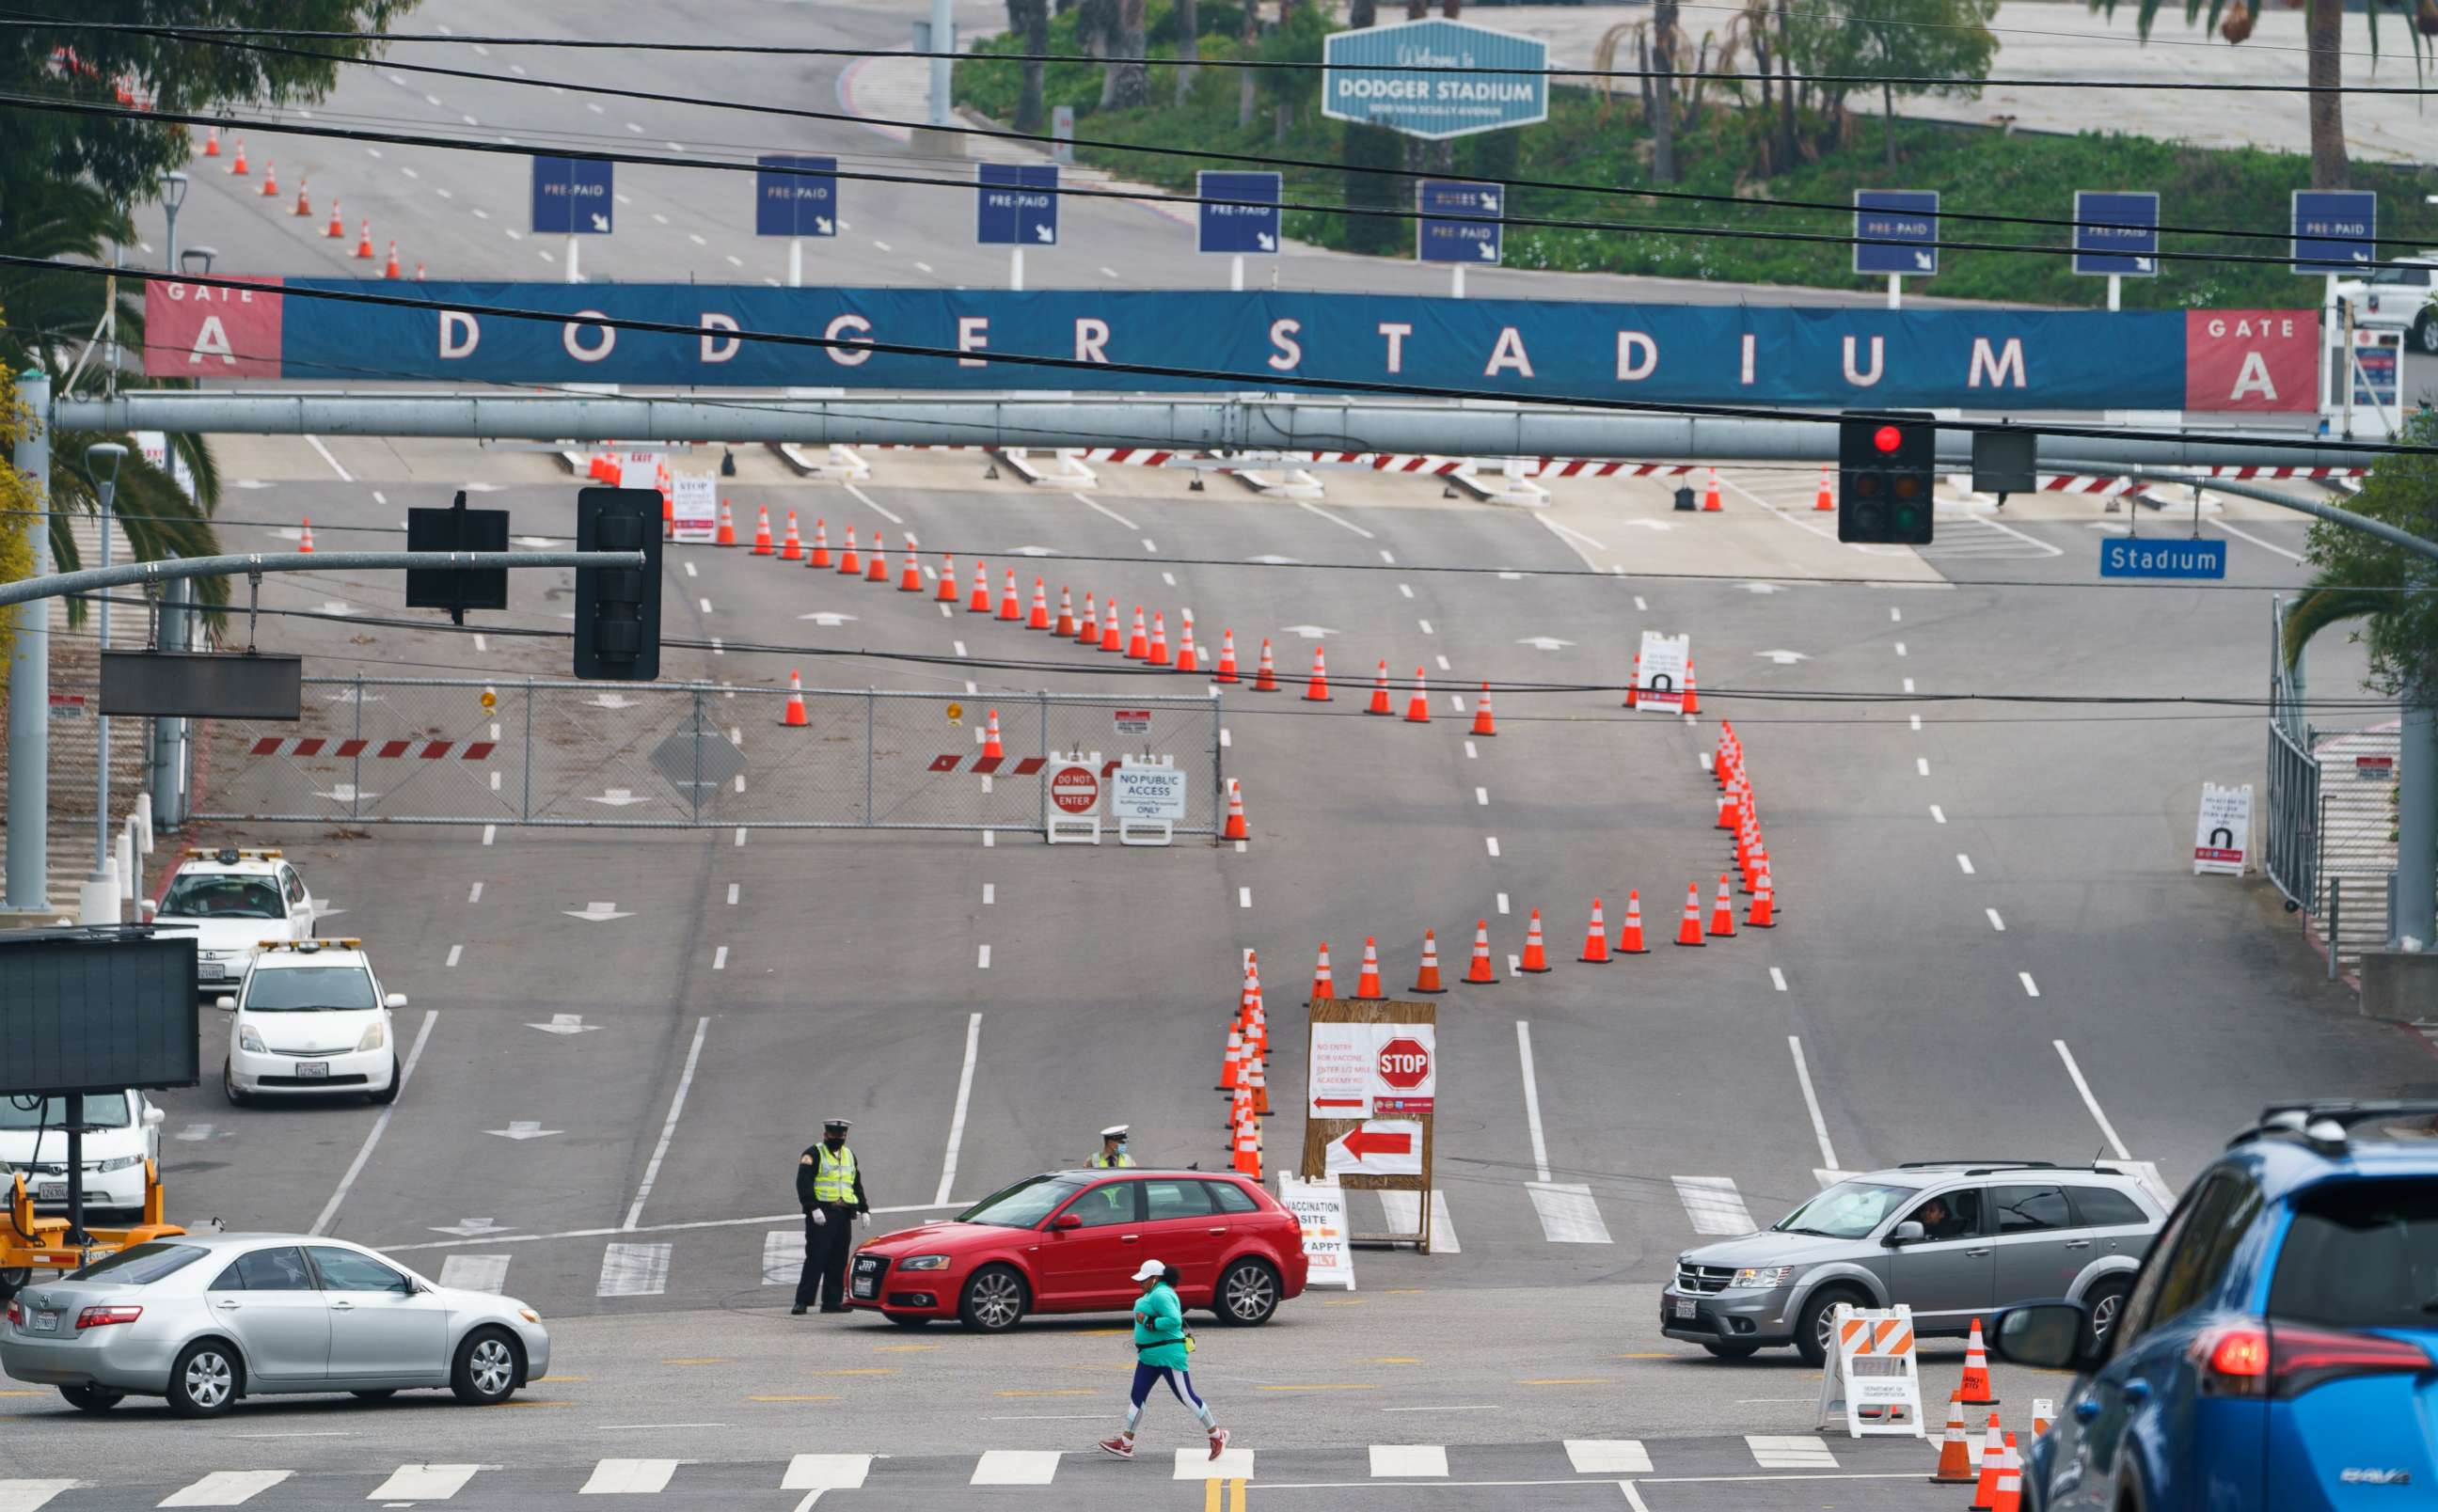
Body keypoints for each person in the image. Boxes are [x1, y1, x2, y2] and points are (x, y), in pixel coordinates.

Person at [1098, 1261, 1227, 1462]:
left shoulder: (1161, 1294)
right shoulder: (1155, 1293)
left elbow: (1174, 1319)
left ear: (1155, 1279)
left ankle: (1217, 1435)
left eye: (1144, 1279)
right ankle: (1126, 1442)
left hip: (1167, 1355)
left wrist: (1149, 1322)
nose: (1140, 1283)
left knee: (1186, 1396)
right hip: (1149, 1357)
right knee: (1137, 1396)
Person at [792, 1118, 870, 1315]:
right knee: (816, 1257)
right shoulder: (813, 1153)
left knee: (838, 1259)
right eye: (835, 1135)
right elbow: (804, 1182)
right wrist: (812, 1207)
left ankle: (831, 1301)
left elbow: (855, 1183)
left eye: (842, 1135)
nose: (839, 1138)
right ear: (826, 1135)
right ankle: (803, 1301)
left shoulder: (849, 1155)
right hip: (822, 1213)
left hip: (843, 1213)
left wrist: (864, 1209)